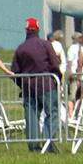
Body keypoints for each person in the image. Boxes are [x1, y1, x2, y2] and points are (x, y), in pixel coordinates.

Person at [10, 18, 63, 151]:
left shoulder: (21, 48)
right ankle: (48, 144)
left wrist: (22, 85)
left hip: (28, 87)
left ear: (26, 30)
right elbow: (55, 65)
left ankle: (34, 146)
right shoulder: (45, 45)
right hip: (46, 84)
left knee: (31, 116)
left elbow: (15, 71)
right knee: (52, 113)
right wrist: (57, 80)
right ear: (38, 29)